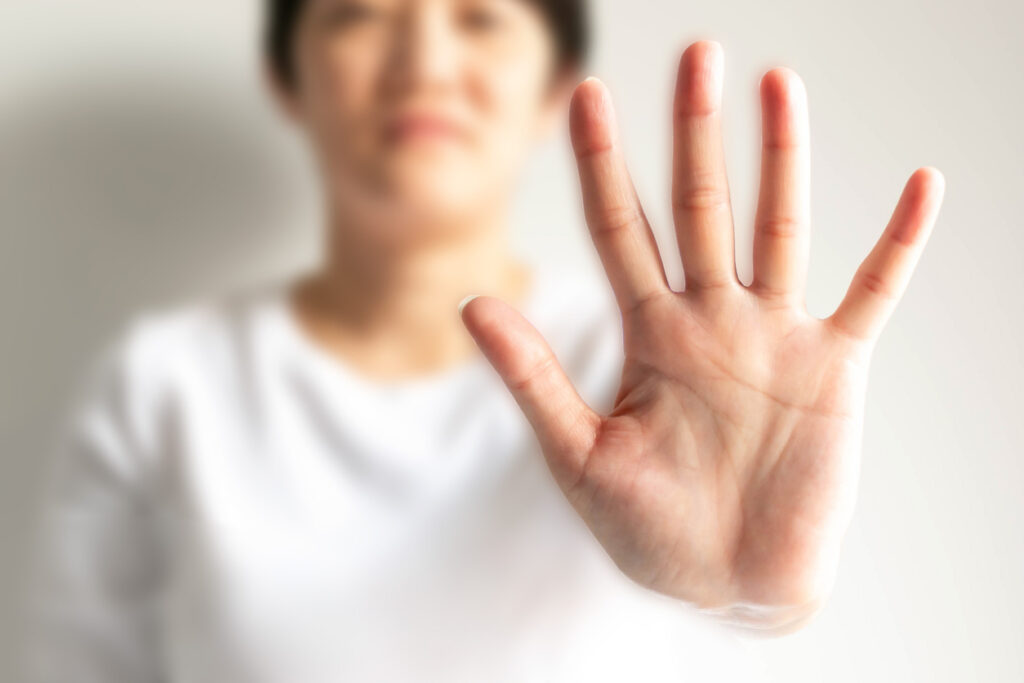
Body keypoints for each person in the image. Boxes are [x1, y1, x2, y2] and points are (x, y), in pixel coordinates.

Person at [24, 0, 945, 681]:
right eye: (356, 14)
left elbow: (744, 629)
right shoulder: (166, 384)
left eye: (481, 18)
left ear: (554, 86)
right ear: (285, 79)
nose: (423, 62)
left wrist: (750, 595)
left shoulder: (676, 371)